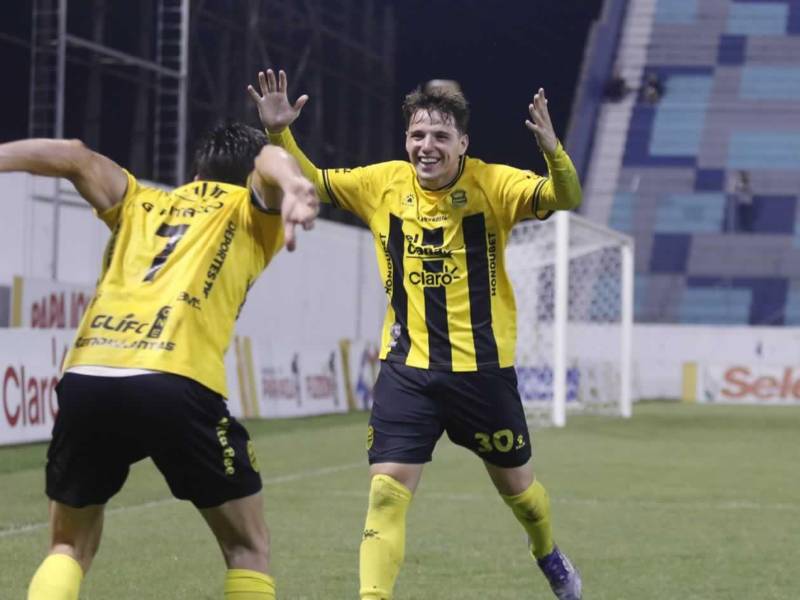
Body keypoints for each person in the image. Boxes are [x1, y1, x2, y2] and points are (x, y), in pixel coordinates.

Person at [249, 69, 583, 599]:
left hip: (482, 372)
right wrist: (278, 132)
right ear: (406, 139)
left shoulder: (494, 184)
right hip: (407, 369)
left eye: (440, 136)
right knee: (385, 495)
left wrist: (553, 152)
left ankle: (546, 551)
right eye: (418, 135)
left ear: (463, 143)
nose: (427, 146)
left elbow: (565, 197)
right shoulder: (381, 183)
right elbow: (310, 180)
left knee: (521, 495)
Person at [0, 121, 319, 600]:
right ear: (249, 178)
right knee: (247, 547)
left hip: (90, 372)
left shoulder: (139, 200)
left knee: (67, 544)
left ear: (196, 174)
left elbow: (72, 155)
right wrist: (293, 182)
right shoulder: (248, 210)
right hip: (175, 377)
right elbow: (269, 162)